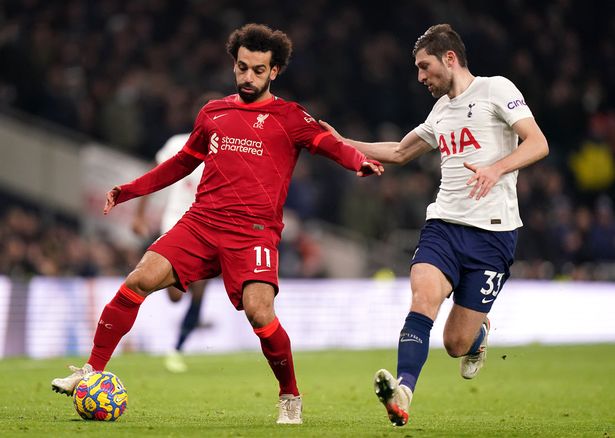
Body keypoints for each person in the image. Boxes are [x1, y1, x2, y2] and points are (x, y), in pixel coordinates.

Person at [51, 23, 383, 425]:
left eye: (258, 70)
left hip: (254, 233)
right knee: (138, 279)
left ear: (274, 71)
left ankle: (290, 395)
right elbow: (179, 164)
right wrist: (131, 190)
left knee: (260, 313)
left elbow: (328, 144)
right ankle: (91, 371)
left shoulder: (289, 117)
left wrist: (357, 161)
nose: (248, 77)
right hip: (201, 224)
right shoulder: (214, 112)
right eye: (242, 67)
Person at [320, 24, 548, 426]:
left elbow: (537, 142)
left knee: (455, 343)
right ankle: (403, 391)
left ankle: (477, 335)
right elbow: (400, 151)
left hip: (493, 234)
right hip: (444, 224)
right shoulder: (441, 110)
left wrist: (496, 169)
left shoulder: (497, 89)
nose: (420, 77)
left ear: (449, 58)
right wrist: (341, 142)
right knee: (422, 297)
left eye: (424, 67)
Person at [131, 116, 211, 373]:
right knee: (175, 295)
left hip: (209, 228)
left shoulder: (229, 149)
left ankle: (177, 348)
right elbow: (154, 175)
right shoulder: (178, 143)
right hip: (176, 223)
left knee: (199, 290)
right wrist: (139, 214)